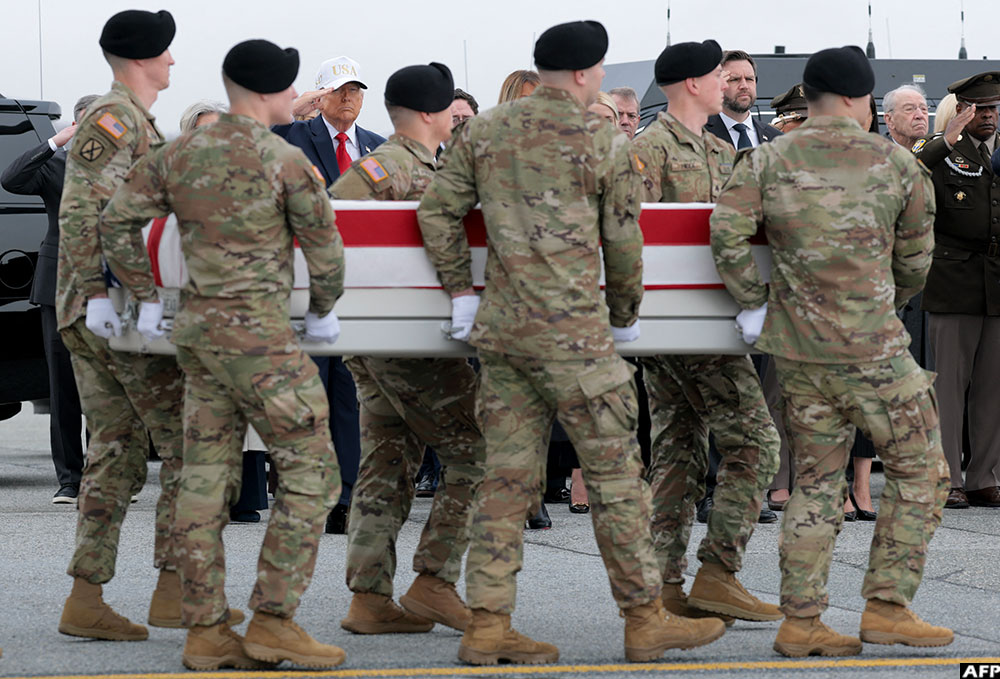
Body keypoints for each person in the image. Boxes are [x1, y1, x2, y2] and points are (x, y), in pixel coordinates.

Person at [418, 20, 725, 665]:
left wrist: (462, 294)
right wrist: (624, 314)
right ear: (587, 73)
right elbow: (623, 238)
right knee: (616, 478)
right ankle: (644, 619)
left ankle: (487, 625)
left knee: (504, 481)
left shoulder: (486, 130)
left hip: (503, 333)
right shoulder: (604, 138)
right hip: (580, 339)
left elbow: (437, 212)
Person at [99, 38, 347, 670]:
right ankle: (273, 619)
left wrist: (146, 294)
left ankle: (205, 630)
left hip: (199, 339)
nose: (295, 98)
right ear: (268, 93)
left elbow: (117, 222)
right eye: (290, 88)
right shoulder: (286, 159)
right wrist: (321, 310)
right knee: (314, 474)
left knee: (204, 485)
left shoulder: (180, 152)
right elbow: (325, 247)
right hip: (262, 339)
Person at [711, 45, 952, 656]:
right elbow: (917, 260)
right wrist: (877, 302)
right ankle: (888, 606)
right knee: (922, 469)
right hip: (873, 345)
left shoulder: (764, 158)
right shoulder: (897, 164)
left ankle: (802, 621)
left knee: (815, 482)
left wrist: (756, 300)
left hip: (798, 349)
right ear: (859, 99)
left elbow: (727, 231)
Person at [328, 62, 486, 637]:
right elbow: (333, 220)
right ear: (428, 113)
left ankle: (369, 599)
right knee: (477, 452)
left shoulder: (424, 164)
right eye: (448, 108)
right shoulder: (388, 166)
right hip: (405, 348)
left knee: (388, 464)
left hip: (389, 344)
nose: (453, 117)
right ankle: (435, 583)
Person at [632, 39, 781, 627]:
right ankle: (719, 572)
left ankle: (664, 587)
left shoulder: (722, 150)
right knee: (758, 443)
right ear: (694, 83)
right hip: (683, 326)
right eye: (719, 74)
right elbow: (633, 238)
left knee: (677, 450)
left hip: (711, 324)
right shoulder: (648, 151)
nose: (728, 81)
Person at [55, 8, 191, 642]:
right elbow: (84, 212)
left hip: (105, 310)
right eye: (166, 53)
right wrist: (101, 295)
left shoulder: (134, 120)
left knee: (115, 450)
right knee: (190, 447)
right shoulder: (116, 120)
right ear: (143, 58)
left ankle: (86, 599)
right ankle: (176, 590)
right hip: (117, 313)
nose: (172, 62)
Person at [273, 56, 387, 533]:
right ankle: (303, 493)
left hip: (358, 290)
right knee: (308, 393)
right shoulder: (292, 139)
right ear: (319, 97)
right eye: (339, 90)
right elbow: (256, 134)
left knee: (350, 398)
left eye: (356, 90)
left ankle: (345, 495)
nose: (349, 99)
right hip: (304, 287)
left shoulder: (379, 147)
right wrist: (297, 107)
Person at [1, 94, 96, 504]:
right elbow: (11, 179)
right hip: (58, 289)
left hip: (112, 291)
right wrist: (57, 141)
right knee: (64, 388)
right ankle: (69, 481)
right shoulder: (53, 165)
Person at [912, 72, 1000, 509]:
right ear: (962, 111)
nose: (988, 116)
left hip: (996, 282)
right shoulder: (944, 152)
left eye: (993, 109)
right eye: (979, 109)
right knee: (948, 388)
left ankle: (984, 475)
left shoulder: (999, 153)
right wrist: (945, 138)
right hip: (953, 280)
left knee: (991, 387)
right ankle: (946, 478)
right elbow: (907, 173)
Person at [704, 50, 781, 149]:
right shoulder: (700, 134)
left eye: (749, 79)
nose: (744, 86)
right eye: (734, 79)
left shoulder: (776, 138)